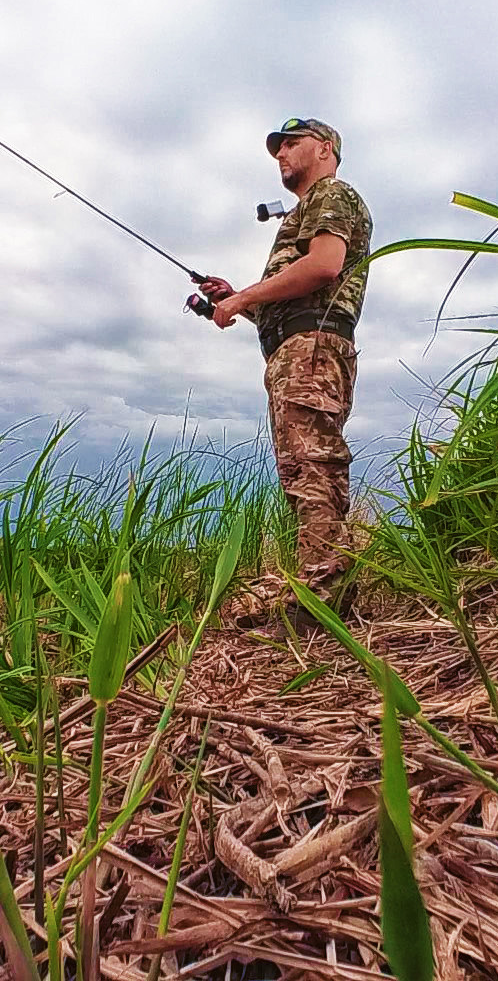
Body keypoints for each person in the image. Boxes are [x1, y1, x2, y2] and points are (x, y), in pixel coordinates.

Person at [198, 117, 372, 624]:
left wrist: (245, 297)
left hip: (311, 345)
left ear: (325, 149)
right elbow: (292, 295)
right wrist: (238, 298)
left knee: (313, 467)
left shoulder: (333, 195)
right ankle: (322, 594)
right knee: (301, 470)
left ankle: (319, 607)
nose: (281, 154)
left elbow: (323, 267)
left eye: (292, 144)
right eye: (277, 148)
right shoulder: (305, 209)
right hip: (293, 347)